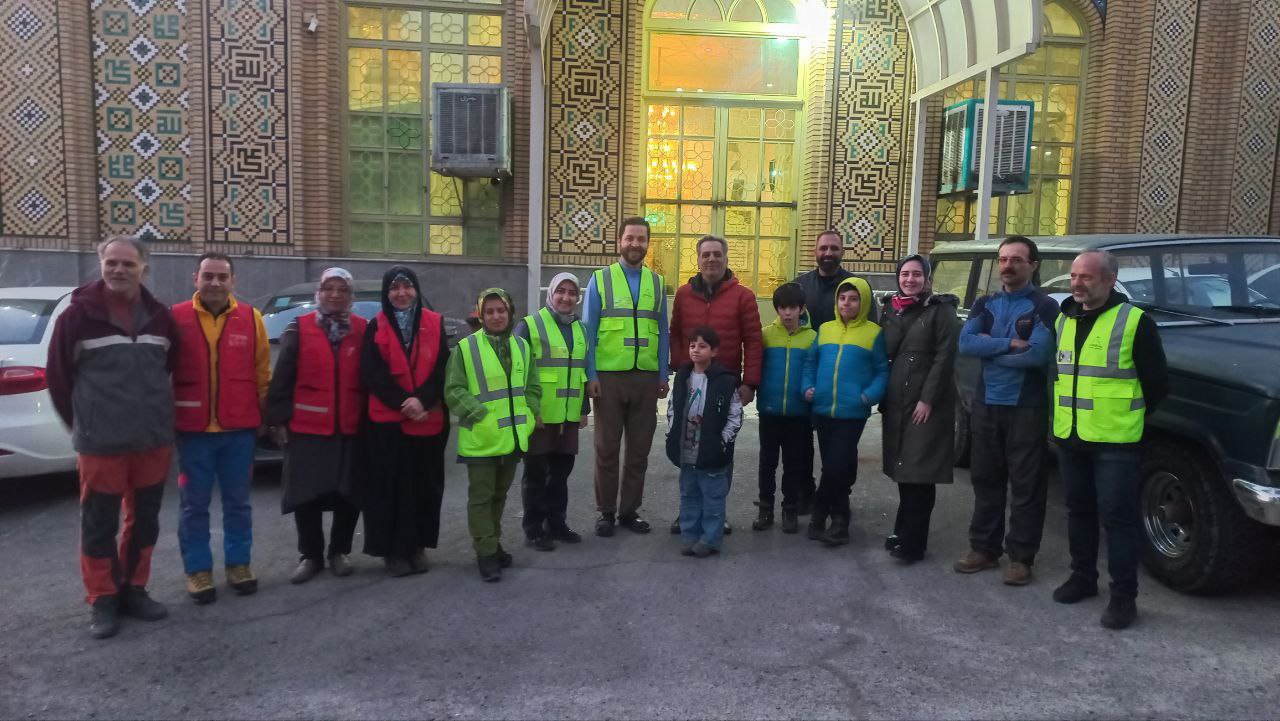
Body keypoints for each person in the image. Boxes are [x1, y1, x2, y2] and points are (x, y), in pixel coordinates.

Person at [46, 235, 180, 639]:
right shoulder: (77, 316)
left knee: (145, 521)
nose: (119, 270)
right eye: (111, 263)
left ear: (144, 269)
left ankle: (134, 589)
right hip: (100, 443)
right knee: (99, 523)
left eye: (128, 264)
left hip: (151, 440)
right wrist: (84, 424)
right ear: (101, 264)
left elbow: (168, 368)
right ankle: (103, 598)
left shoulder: (161, 317)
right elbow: (59, 378)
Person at [1051, 250, 1167, 630]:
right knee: (1078, 511)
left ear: (1110, 279)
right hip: (1071, 436)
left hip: (1115, 441)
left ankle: (1123, 597)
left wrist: (1124, 417)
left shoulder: (1134, 322)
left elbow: (1157, 385)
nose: (1077, 283)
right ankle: (1083, 577)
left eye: (1087, 277)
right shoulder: (1063, 319)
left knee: (1117, 518)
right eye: (1073, 276)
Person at [955, 236, 1059, 584]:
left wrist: (990, 349)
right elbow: (966, 343)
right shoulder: (985, 303)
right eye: (1002, 259)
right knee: (986, 480)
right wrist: (1008, 344)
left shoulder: (1045, 307)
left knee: (1027, 486)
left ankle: (1021, 558)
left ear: (1033, 265)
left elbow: (1036, 355)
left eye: (1016, 259)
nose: (1007, 266)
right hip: (987, 404)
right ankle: (984, 549)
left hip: (1025, 406)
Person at [171, 252, 271, 604]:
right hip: (192, 431)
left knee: (238, 503)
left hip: (239, 430)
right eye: (208, 276)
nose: (215, 283)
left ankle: (239, 564)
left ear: (233, 281)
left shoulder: (251, 318)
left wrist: (266, 416)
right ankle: (198, 570)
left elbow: (262, 371)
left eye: (222, 277)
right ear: (195, 278)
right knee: (193, 505)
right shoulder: (175, 317)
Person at [265, 268, 366, 584]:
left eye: (342, 289)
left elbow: (371, 378)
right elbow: (282, 377)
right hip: (307, 427)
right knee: (305, 494)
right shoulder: (299, 328)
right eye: (329, 288)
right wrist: (278, 420)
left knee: (348, 493)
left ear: (350, 296)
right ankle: (310, 555)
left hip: (351, 426)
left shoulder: (363, 329)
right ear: (318, 294)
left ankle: (339, 552)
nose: (335, 294)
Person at [667, 234, 763, 534]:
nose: (711, 259)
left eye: (717, 254)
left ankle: (716, 513)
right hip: (691, 384)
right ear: (697, 259)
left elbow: (754, 341)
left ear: (725, 258)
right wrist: (679, 368)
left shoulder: (743, 296)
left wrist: (750, 383)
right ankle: (688, 513)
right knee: (688, 445)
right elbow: (675, 333)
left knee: (720, 451)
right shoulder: (684, 295)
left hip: (725, 386)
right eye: (705, 254)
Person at [357, 266, 450, 576]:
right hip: (388, 423)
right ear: (386, 293)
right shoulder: (375, 325)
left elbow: (443, 368)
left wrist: (422, 400)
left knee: (424, 486)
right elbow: (372, 373)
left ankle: (418, 545)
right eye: (394, 288)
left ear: (416, 290)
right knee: (390, 488)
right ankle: (394, 551)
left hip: (427, 417)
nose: (401, 293)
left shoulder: (434, 323)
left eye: (407, 287)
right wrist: (404, 402)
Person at [445, 288, 541, 582]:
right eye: (489, 312)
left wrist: (529, 415)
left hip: (512, 438)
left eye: (501, 310)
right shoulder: (465, 349)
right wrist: (480, 415)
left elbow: (532, 387)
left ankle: (492, 542)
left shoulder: (522, 347)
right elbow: (453, 390)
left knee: (499, 496)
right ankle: (485, 553)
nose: (496, 316)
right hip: (481, 441)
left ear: (510, 313)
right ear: (481, 315)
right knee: (481, 498)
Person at [581, 217, 670, 537]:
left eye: (641, 239)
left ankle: (629, 510)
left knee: (639, 450)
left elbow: (663, 331)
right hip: (609, 378)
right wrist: (591, 374)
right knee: (606, 449)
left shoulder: (657, 283)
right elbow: (588, 331)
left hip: (646, 378)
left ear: (648, 243)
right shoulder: (600, 279)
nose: (635, 244)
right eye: (630, 238)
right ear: (619, 241)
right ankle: (606, 511)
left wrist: (663, 374)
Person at [878, 255, 960, 563]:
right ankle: (902, 531)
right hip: (898, 402)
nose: (909, 279)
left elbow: (945, 358)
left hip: (926, 405)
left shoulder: (941, 311)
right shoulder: (891, 309)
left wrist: (928, 399)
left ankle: (914, 543)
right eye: (904, 274)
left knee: (920, 474)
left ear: (927, 279)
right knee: (905, 471)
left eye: (916, 274)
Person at [801, 277, 888, 546]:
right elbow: (810, 362)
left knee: (835, 466)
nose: (846, 303)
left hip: (853, 413)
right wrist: (808, 387)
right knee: (835, 467)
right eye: (842, 298)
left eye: (853, 299)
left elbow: (882, 371)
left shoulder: (873, 333)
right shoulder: (825, 329)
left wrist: (869, 396)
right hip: (823, 409)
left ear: (863, 303)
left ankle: (824, 516)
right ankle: (836, 520)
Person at [514, 273, 589, 551]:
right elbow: (517, 372)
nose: (566, 297)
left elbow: (581, 371)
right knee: (535, 475)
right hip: (540, 416)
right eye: (561, 291)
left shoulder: (581, 329)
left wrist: (584, 409)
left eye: (572, 292)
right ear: (551, 293)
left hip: (568, 417)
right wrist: (529, 411)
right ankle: (534, 529)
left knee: (561, 474)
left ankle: (557, 524)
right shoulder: (529, 326)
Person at [666, 327, 743, 557]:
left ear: (714, 351)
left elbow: (735, 415)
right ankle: (690, 536)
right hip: (687, 452)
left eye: (702, 346)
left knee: (713, 499)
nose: (696, 350)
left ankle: (710, 540)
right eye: (692, 346)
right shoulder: (683, 377)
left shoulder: (725, 381)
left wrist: (722, 442)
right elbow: (672, 407)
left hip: (712, 453)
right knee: (688, 496)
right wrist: (672, 433)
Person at [753, 282, 816, 533]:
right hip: (769, 410)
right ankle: (765, 508)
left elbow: (815, 371)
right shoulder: (766, 335)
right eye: (782, 308)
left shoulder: (813, 338)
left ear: (802, 309)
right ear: (776, 309)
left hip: (798, 414)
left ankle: (790, 508)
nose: (787, 313)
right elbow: (755, 366)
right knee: (767, 463)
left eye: (792, 308)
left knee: (793, 464)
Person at [792, 229, 877, 331]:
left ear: (842, 252)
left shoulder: (858, 287)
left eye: (834, 248)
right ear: (815, 252)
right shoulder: (798, 285)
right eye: (823, 248)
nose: (828, 253)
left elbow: (870, 327)